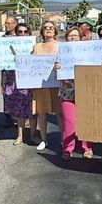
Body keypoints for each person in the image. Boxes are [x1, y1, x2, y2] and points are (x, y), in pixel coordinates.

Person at [56, 27, 91, 160]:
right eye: (70, 36)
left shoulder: (88, 52)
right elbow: (55, 73)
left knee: (86, 121)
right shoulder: (61, 53)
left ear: (81, 38)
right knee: (69, 122)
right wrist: (57, 68)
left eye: (75, 36)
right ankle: (67, 149)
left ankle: (87, 147)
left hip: (85, 91)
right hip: (67, 91)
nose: (72, 38)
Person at [2, 22, 36, 146]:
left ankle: (33, 135)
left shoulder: (34, 46)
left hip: (31, 81)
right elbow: (3, 64)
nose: (22, 34)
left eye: (25, 31)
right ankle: (20, 136)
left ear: (29, 33)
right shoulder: (9, 46)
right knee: (19, 110)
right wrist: (4, 83)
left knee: (32, 110)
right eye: (19, 31)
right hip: (14, 80)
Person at [32, 21, 61, 152]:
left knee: (60, 113)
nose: (48, 30)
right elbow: (30, 63)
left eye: (51, 28)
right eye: (45, 28)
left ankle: (63, 139)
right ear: (42, 32)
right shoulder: (37, 46)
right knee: (42, 113)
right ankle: (44, 139)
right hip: (41, 84)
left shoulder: (61, 46)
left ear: (55, 31)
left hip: (57, 84)